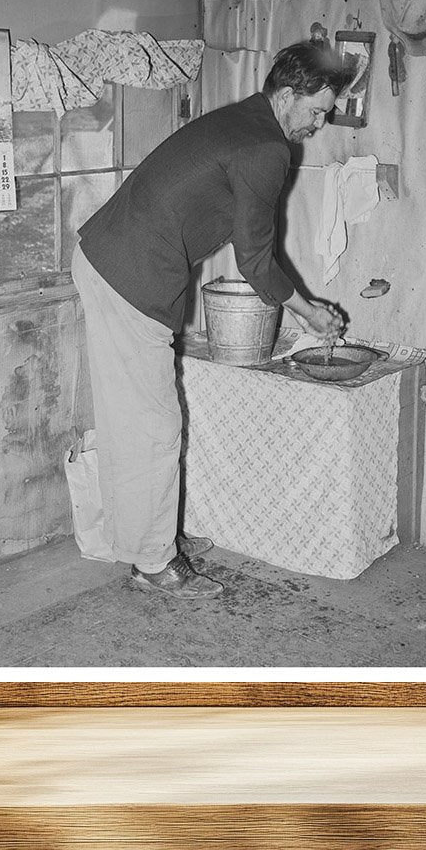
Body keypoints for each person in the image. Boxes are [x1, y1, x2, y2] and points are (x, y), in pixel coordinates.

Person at [71, 42, 348, 600]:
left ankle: (149, 542)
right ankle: (153, 566)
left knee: (137, 422)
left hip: (110, 258)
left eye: (326, 114)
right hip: (131, 275)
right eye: (315, 111)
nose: (317, 126)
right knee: (153, 427)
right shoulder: (266, 146)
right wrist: (309, 313)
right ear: (287, 94)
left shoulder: (243, 116)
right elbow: (255, 259)